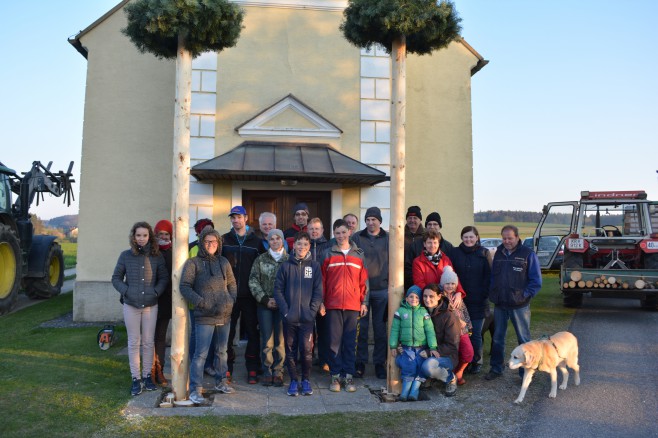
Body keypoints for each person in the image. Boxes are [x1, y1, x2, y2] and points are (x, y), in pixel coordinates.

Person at [180, 228, 237, 403]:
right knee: (201, 354)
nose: (211, 245)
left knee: (222, 351)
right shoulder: (193, 263)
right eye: (207, 242)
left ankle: (221, 382)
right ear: (201, 243)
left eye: (214, 242)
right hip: (204, 316)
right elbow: (185, 287)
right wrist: (202, 302)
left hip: (224, 314)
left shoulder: (224, 262)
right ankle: (196, 389)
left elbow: (232, 283)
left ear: (218, 243)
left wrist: (230, 300)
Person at [111, 221, 167, 396]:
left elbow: (164, 278)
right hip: (131, 305)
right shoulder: (125, 256)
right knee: (134, 342)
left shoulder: (157, 256)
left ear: (149, 236)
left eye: (144, 235)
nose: (141, 239)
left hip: (151, 305)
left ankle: (147, 377)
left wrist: (156, 292)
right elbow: (116, 278)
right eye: (138, 235)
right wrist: (126, 291)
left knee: (149, 342)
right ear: (133, 237)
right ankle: (136, 379)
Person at [485, 225, 542, 381]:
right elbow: (493, 278)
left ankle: (526, 372)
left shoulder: (527, 254)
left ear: (517, 237)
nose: (507, 241)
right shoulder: (499, 253)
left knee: (523, 340)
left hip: (519, 306)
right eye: (504, 238)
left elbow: (536, 281)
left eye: (510, 238)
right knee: (497, 338)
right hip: (500, 304)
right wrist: (493, 292)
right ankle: (496, 368)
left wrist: (524, 296)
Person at [321, 219, 369, 393]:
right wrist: (321, 302)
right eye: (337, 233)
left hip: (353, 304)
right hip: (332, 305)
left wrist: (364, 302)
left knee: (349, 342)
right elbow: (322, 281)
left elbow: (364, 281)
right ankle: (335, 376)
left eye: (343, 232)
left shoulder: (359, 254)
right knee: (334, 342)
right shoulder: (328, 254)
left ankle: (348, 377)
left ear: (349, 232)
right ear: (334, 234)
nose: (340, 236)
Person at [273, 232, 323, 396]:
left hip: (307, 319)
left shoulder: (314, 266)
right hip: (290, 319)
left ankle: (306, 380)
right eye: (299, 244)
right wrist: (286, 312)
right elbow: (278, 291)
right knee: (290, 350)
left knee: (307, 350)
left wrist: (312, 311)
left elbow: (318, 291)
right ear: (294, 245)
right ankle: (294, 380)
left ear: (309, 246)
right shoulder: (285, 266)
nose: (302, 247)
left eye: (305, 244)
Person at [222, 205, 266, 384]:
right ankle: (227, 368)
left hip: (250, 296)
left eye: (239, 217)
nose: (235, 220)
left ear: (246, 218)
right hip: (229, 296)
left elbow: (263, 268)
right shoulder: (224, 240)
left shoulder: (256, 242)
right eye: (233, 217)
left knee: (252, 334)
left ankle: (252, 368)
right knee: (227, 334)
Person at [351, 207, 389, 379]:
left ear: (380, 221)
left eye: (374, 219)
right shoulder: (357, 238)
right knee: (362, 329)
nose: (370, 222)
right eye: (368, 219)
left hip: (382, 290)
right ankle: (360, 363)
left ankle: (379, 363)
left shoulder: (388, 238)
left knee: (380, 330)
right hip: (362, 291)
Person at [448, 226, 491, 375]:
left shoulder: (483, 253)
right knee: (461, 333)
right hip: (459, 300)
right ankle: (462, 361)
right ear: (462, 238)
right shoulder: (455, 253)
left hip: (479, 300)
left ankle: (476, 361)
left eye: (471, 237)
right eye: (465, 237)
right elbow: (452, 275)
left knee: (476, 333)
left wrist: (484, 294)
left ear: (477, 237)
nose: (468, 239)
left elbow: (488, 276)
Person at [248, 229, 288, 387]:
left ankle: (279, 370)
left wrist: (283, 301)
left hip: (283, 306)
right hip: (265, 306)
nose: (275, 241)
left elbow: (293, 283)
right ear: (268, 241)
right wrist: (265, 299)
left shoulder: (289, 260)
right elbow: (253, 281)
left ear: (283, 240)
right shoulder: (260, 259)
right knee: (267, 340)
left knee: (281, 340)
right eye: (272, 239)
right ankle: (267, 370)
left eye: (278, 238)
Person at [389, 285, 438, 401]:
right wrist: (393, 345)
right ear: (406, 298)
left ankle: (414, 392)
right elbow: (395, 330)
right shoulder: (400, 312)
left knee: (421, 368)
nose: (414, 299)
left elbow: (430, 331)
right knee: (409, 367)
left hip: (421, 347)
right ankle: (404, 393)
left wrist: (433, 347)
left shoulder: (423, 312)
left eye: (417, 297)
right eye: (411, 297)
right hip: (408, 348)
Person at [420, 283, 461, 397]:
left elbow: (452, 345)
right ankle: (428, 377)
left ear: (439, 296)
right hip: (426, 352)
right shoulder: (421, 313)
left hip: (446, 355)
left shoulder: (448, 316)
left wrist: (429, 352)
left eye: (431, 296)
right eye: (425, 296)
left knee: (427, 367)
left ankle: (450, 378)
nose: (427, 299)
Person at [440, 266, 474, 386]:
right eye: (447, 283)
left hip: (462, 331)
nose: (450, 286)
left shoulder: (457, 296)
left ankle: (459, 371)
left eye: (453, 283)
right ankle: (451, 376)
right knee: (453, 354)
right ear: (442, 284)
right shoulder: (440, 298)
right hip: (450, 332)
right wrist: (457, 320)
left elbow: (464, 311)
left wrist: (469, 326)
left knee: (468, 353)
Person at [404, 212, 453, 290]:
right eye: (429, 224)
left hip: (443, 292)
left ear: (440, 226)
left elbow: (452, 273)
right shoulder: (415, 245)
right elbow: (408, 268)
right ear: (426, 226)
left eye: (435, 224)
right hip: (421, 290)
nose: (432, 227)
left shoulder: (448, 246)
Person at [152, 219, 173, 386]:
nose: (164, 237)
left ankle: (160, 370)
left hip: (166, 301)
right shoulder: (151, 252)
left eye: (166, 234)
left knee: (160, 337)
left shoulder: (175, 251)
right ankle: (150, 370)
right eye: (160, 234)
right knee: (147, 338)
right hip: (151, 299)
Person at [307, 217, 330, 370]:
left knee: (324, 329)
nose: (314, 231)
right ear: (307, 230)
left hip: (324, 295)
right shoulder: (303, 246)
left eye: (317, 228)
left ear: (322, 230)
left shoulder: (329, 246)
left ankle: (324, 359)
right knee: (308, 330)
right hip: (306, 295)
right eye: (311, 229)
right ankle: (308, 358)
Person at [412, 229, 465, 295]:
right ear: (424, 244)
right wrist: (435, 294)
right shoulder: (418, 262)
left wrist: (459, 292)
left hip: (446, 296)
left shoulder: (445, 259)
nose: (432, 245)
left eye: (435, 242)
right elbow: (419, 283)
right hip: (428, 298)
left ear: (439, 244)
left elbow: (453, 277)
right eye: (429, 243)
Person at [403, 206, 424, 290]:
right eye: (409, 218)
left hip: (421, 276)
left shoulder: (426, 235)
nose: (412, 220)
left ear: (420, 220)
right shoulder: (399, 233)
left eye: (415, 218)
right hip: (401, 277)